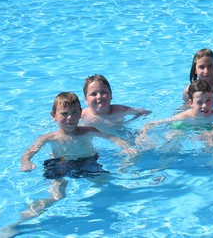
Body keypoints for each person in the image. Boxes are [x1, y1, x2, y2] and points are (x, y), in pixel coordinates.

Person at [15, 92, 134, 226]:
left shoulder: (89, 130)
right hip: (60, 164)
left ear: (80, 114)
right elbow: (29, 153)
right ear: (53, 115)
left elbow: (112, 138)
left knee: (107, 183)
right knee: (57, 196)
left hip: (87, 162)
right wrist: (26, 162)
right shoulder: (49, 138)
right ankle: (20, 222)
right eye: (64, 114)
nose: (70, 118)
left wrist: (125, 146)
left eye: (74, 113)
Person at [137, 80, 213, 147]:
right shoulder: (183, 117)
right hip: (182, 127)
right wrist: (143, 135)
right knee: (172, 141)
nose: (205, 106)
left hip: (203, 128)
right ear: (191, 103)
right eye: (199, 102)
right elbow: (151, 124)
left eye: (208, 100)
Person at [80, 74, 150, 129]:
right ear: (86, 100)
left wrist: (141, 127)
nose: (99, 97)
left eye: (103, 92)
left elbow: (145, 112)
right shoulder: (81, 115)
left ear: (111, 95)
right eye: (94, 94)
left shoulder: (119, 110)